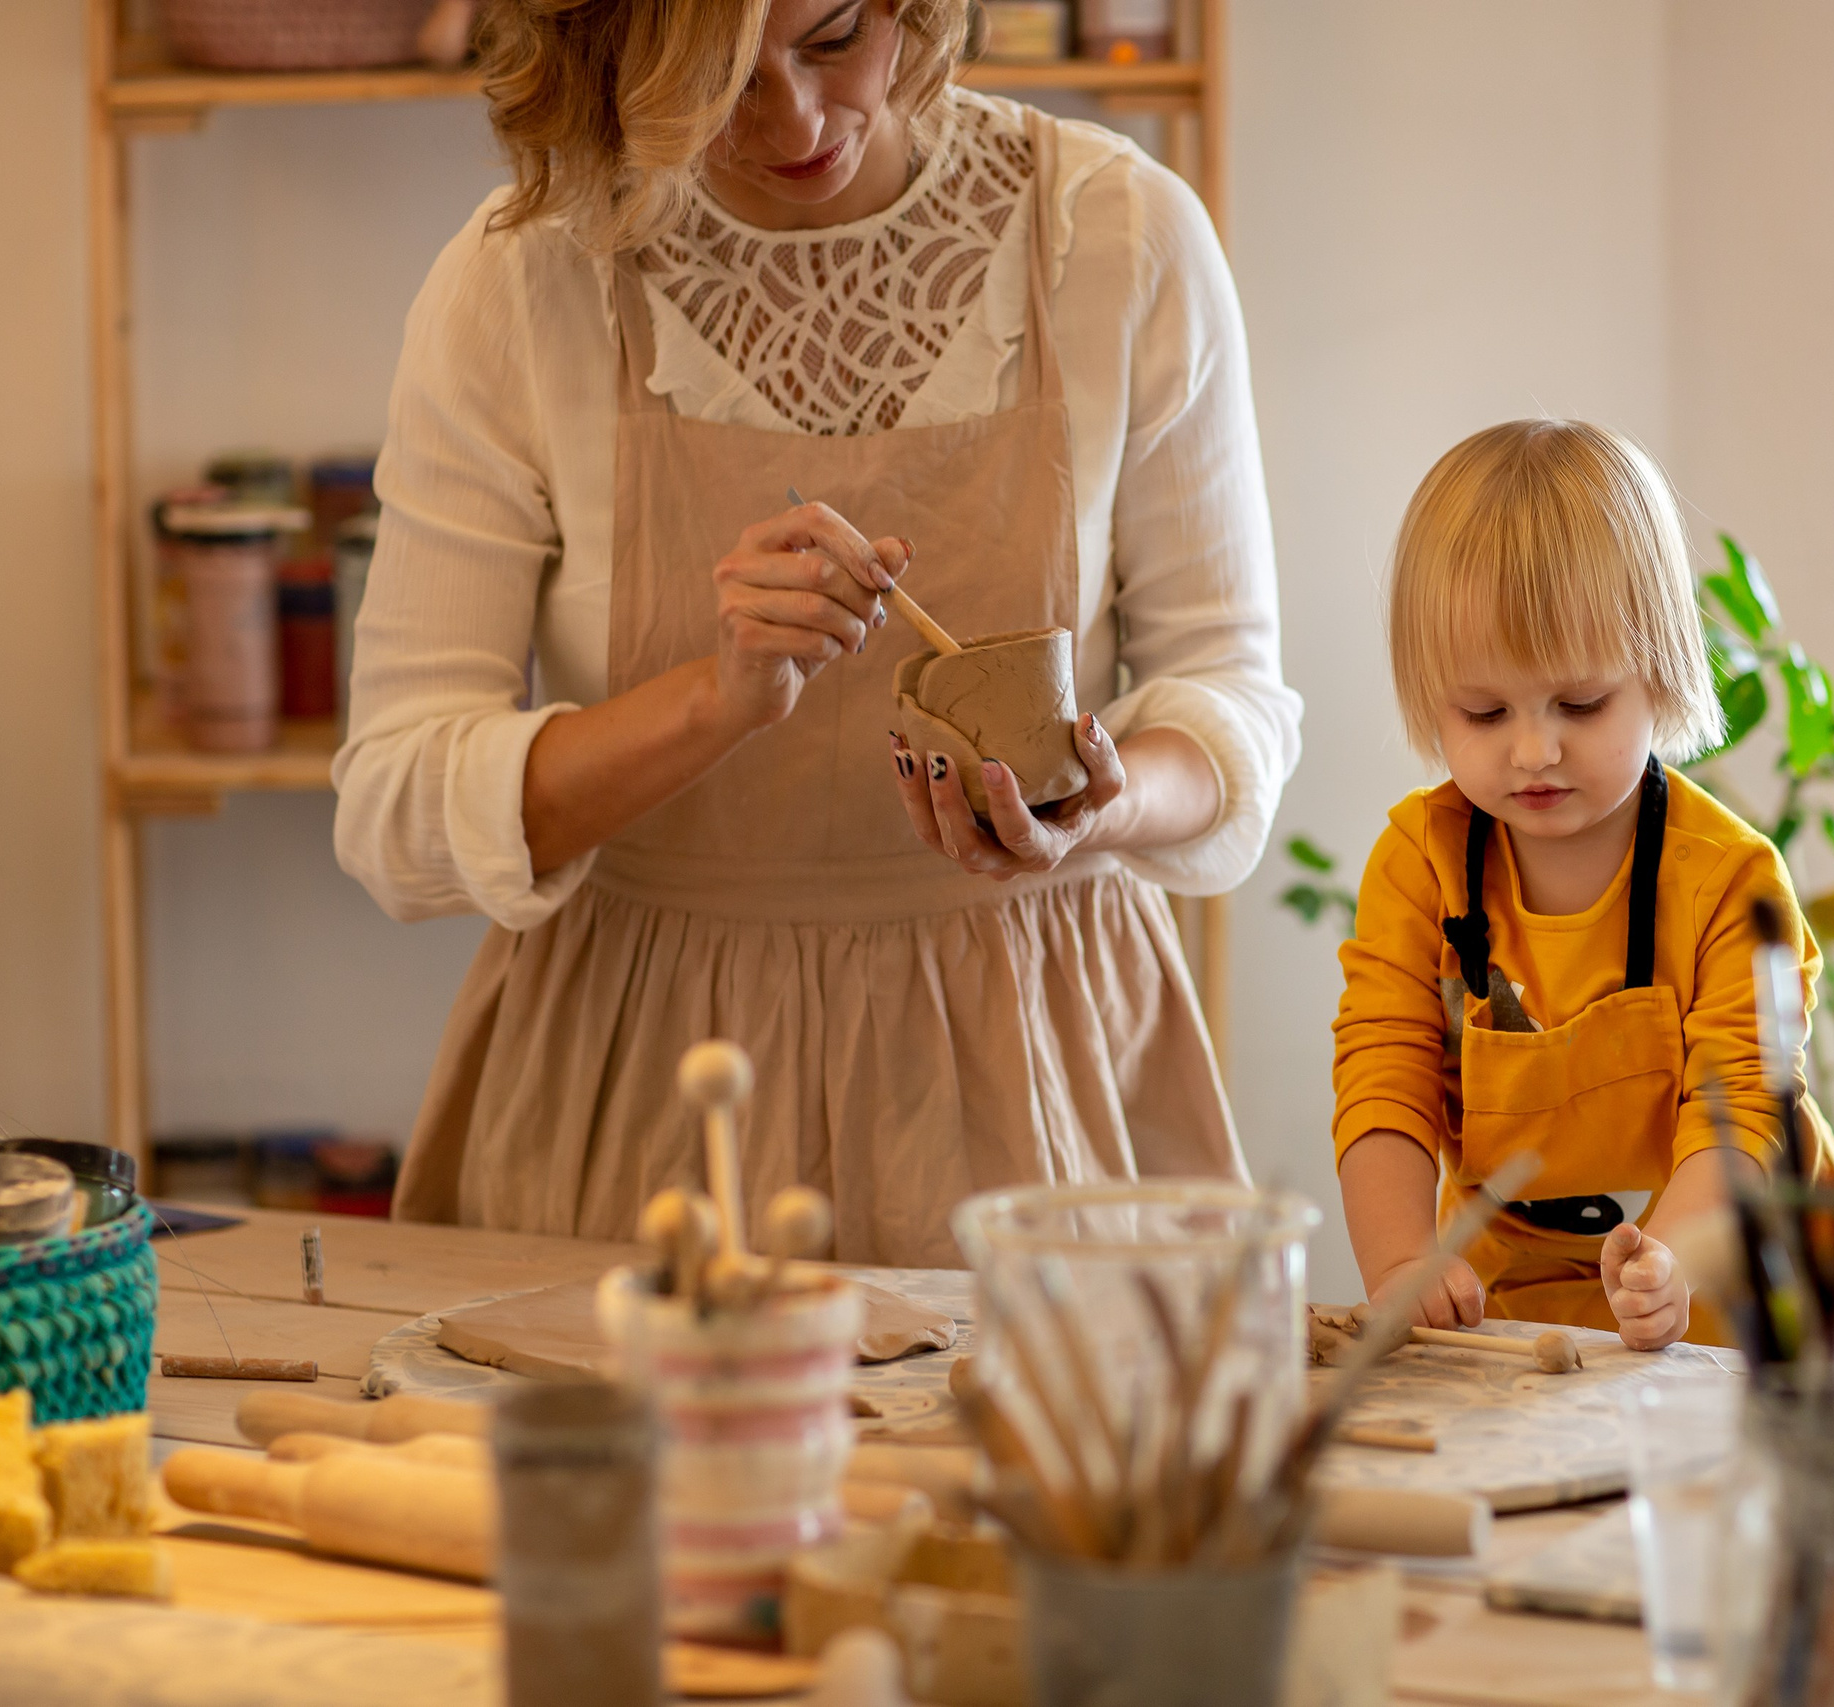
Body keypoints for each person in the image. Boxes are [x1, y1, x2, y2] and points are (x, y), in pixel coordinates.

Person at [332, 0, 1300, 1263]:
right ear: (606, 54)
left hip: (1033, 1065)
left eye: (835, 38)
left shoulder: (1118, 239)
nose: (792, 117)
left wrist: (1099, 811)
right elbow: (395, 816)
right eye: (719, 76)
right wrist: (710, 702)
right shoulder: (526, 278)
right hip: (649, 1086)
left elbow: (1229, 696)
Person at [1328, 420, 1834, 1350]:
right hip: (1518, 1315)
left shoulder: (1731, 880)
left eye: (1581, 703)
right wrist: (1403, 1262)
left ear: (1661, 672)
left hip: (1740, 1310)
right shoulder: (1420, 863)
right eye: (1484, 711)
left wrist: (1669, 1268)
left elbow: (1742, 1113)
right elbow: (1383, 1081)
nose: (1534, 749)